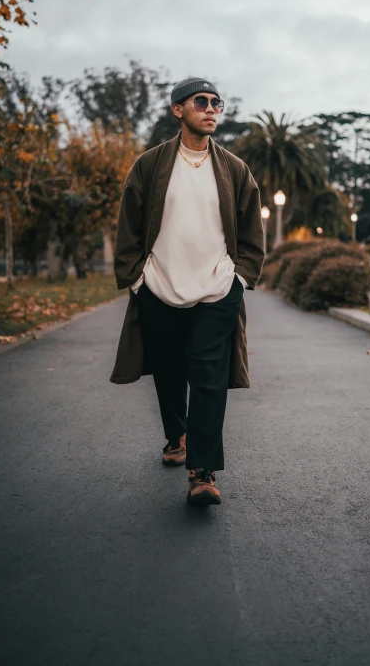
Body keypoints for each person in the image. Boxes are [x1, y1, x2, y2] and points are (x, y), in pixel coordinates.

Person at [110, 77, 264, 506]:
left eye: (217, 102)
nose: (212, 108)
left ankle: (202, 471)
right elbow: (129, 227)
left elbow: (253, 231)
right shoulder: (150, 165)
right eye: (202, 101)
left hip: (216, 290)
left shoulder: (234, 169)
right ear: (178, 110)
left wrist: (239, 278)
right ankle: (175, 434)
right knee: (169, 369)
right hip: (159, 287)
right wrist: (138, 280)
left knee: (208, 374)